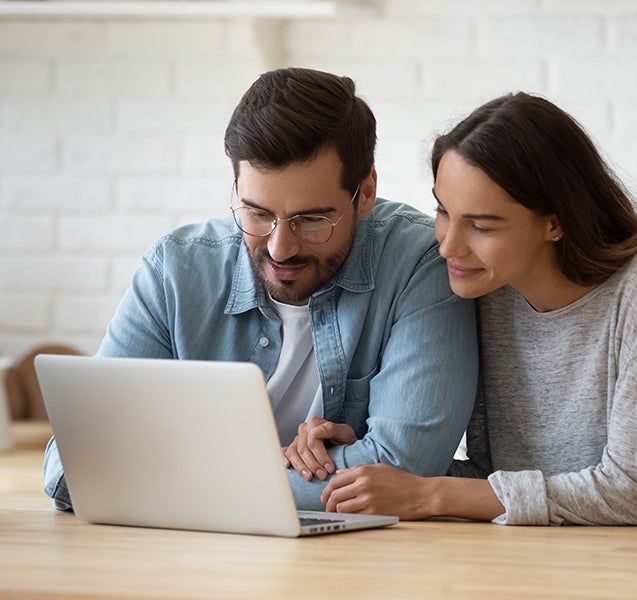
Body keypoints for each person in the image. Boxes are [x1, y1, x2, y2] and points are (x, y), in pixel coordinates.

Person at [291, 92, 637, 530]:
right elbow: (497, 480)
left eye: (481, 226)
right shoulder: (489, 291)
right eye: (443, 212)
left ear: (554, 223)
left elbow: (632, 493)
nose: (448, 246)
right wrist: (366, 463)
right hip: (567, 563)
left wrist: (430, 493)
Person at [42, 67, 478, 511]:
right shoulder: (175, 271)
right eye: (257, 213)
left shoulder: (419, 264)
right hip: (184, 546)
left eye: (311, 220)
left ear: (365, 193)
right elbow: (73, 464)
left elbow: (405, 467)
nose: (279, 247)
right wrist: (272, 469)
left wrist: (175, 477)